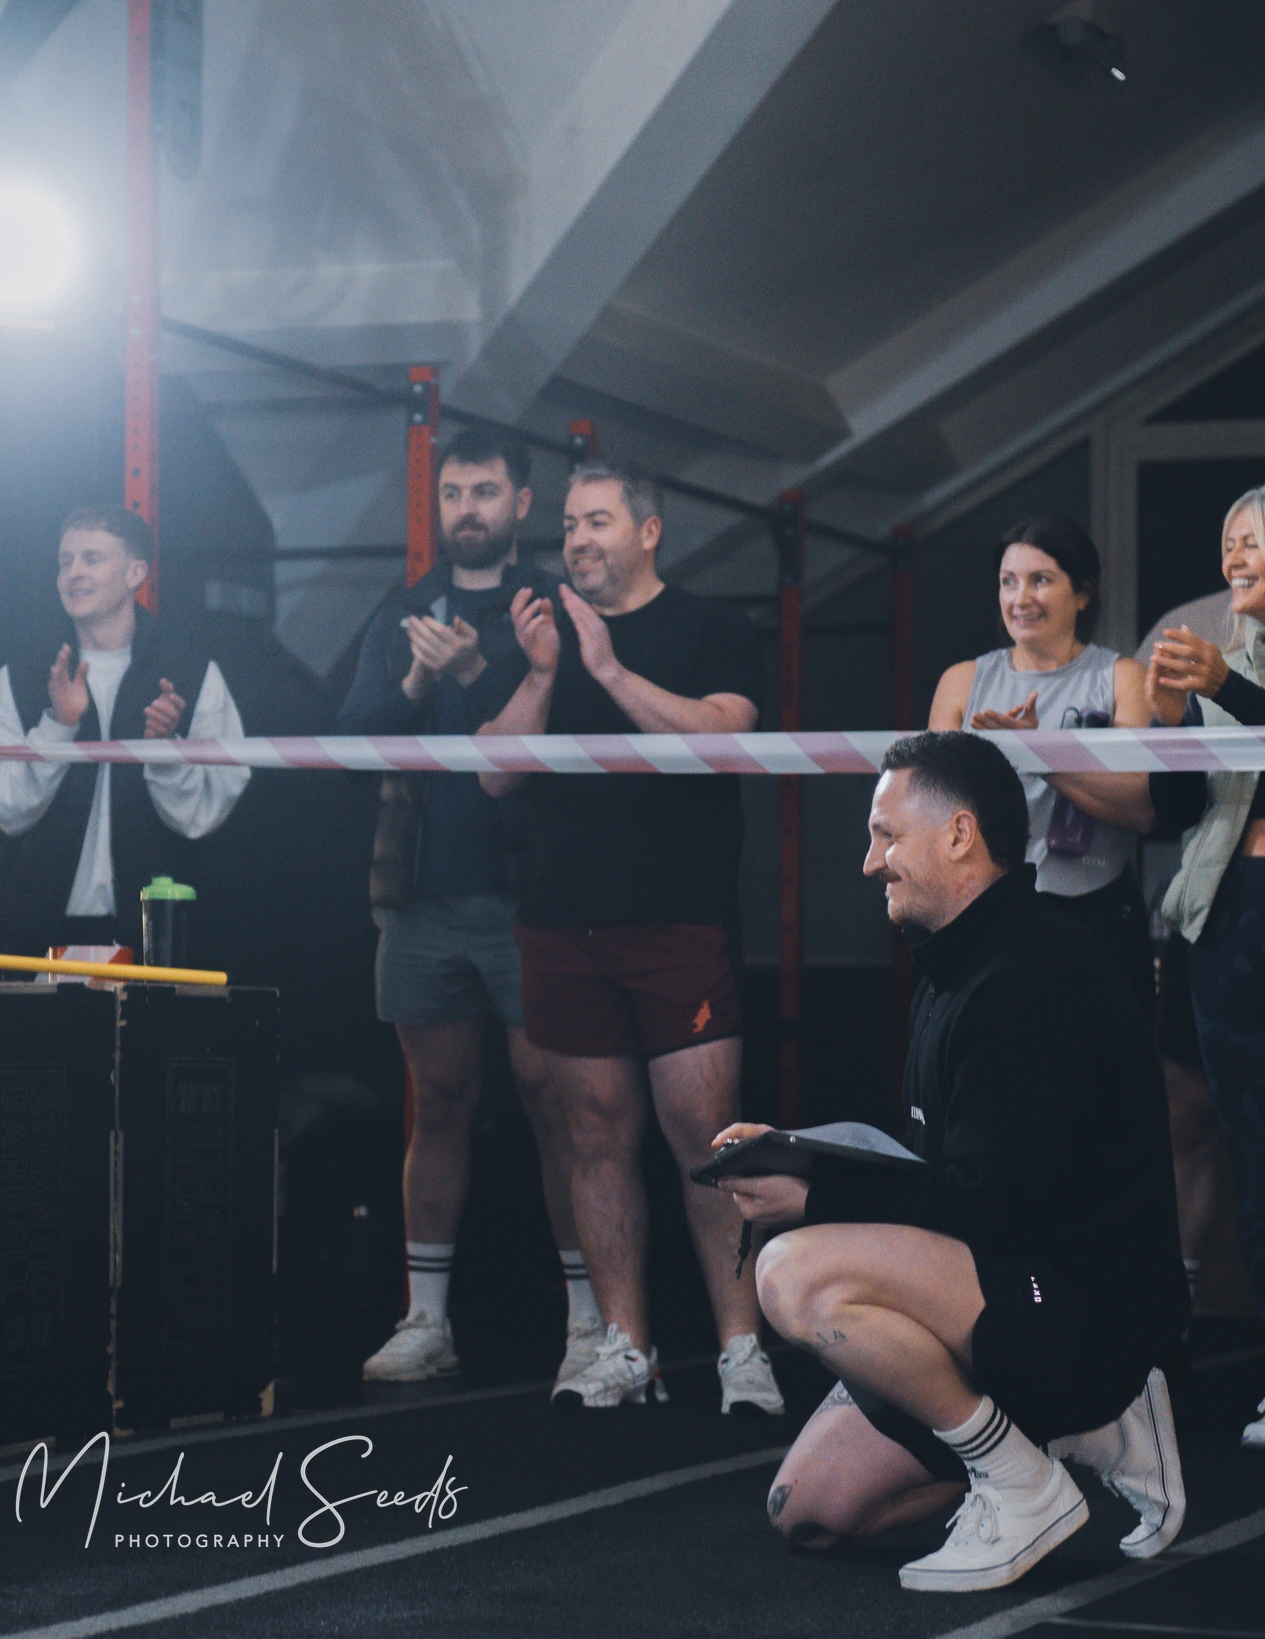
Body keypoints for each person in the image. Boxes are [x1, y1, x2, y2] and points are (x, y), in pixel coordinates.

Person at [720, 731, 1188, 1593]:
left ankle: (1021, 1480)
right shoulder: (955, 958)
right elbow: (952, 1173)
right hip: (1007, 1288)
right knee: (807, 1509)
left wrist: (811, 1200)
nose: (871, 862)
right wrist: (800, 1159)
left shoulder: (1032, 975)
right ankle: (1087, 1433)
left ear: (960, 834)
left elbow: (983, 1206)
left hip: (1079, 1310)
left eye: (886, 835)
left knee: (790, 1272)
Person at [478, 459, 782, 1416]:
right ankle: (626, 1346)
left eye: (598, 521)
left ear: (648, 532)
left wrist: (608, 669)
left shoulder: (711, 627)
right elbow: (493, 771)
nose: (577, 539)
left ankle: (741, 1349)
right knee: (594, 1136)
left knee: (707, 1136)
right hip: (561, 921)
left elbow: (722, 738)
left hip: (678, 919)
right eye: (570, 523)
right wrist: (544, 672)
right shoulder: (541, 632)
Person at [333, 426, 591, 1386]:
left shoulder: (554, 603)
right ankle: (427, 1320)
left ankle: (591, 1324)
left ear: (522, 504)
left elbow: (579, 739)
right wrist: (417, 677)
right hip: (422, 894)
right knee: (437, 1102)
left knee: (558, 1105)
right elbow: (352, 741)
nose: (466, 510)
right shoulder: (407, 609)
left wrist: (484, 672)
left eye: (484, 492)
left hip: (535, 898)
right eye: (452, 494)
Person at [0, 505, 247, 956]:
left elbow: (203, 817)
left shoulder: (192, 675)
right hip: (36, 943)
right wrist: (58, 726)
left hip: (156, 946)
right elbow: (2, 808)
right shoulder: (22, 676)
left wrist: (165, 752)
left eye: (92, 559)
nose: (73, 573)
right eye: (65, 561)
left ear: (135, 573)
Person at [1144, 485, 1265, 1452]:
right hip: (1219, 914)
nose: (1236, 554)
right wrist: (1166, 716)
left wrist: (1223, 685)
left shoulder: (1232, 668)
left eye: (1256, 539)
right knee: (1241, 1143)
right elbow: (1178, 810)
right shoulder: (1225, 656)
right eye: (1229, 540)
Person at [928, 515, 1155, 1010]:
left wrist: (1038, 753)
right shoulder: (961, 682)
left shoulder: (1122, 677)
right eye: (1008, 581)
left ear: (1083, 594)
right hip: (985, 911)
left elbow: (1141, 806)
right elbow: (933, 812)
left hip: (1097, 910)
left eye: (1041, 580)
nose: (1021, 598)